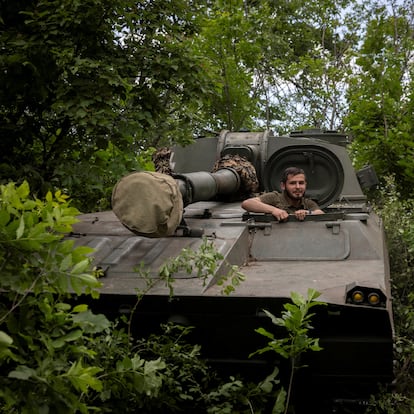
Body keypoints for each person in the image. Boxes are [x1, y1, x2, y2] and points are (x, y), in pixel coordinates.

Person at [241, 167, 324, 222]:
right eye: (292, 183)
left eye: (301, 183)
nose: (298, 187)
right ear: (283, 186)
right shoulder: (275, 197)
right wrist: (274, 210)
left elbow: (320, 213)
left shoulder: (307, 203)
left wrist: (307, 213)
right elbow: (247, 203)